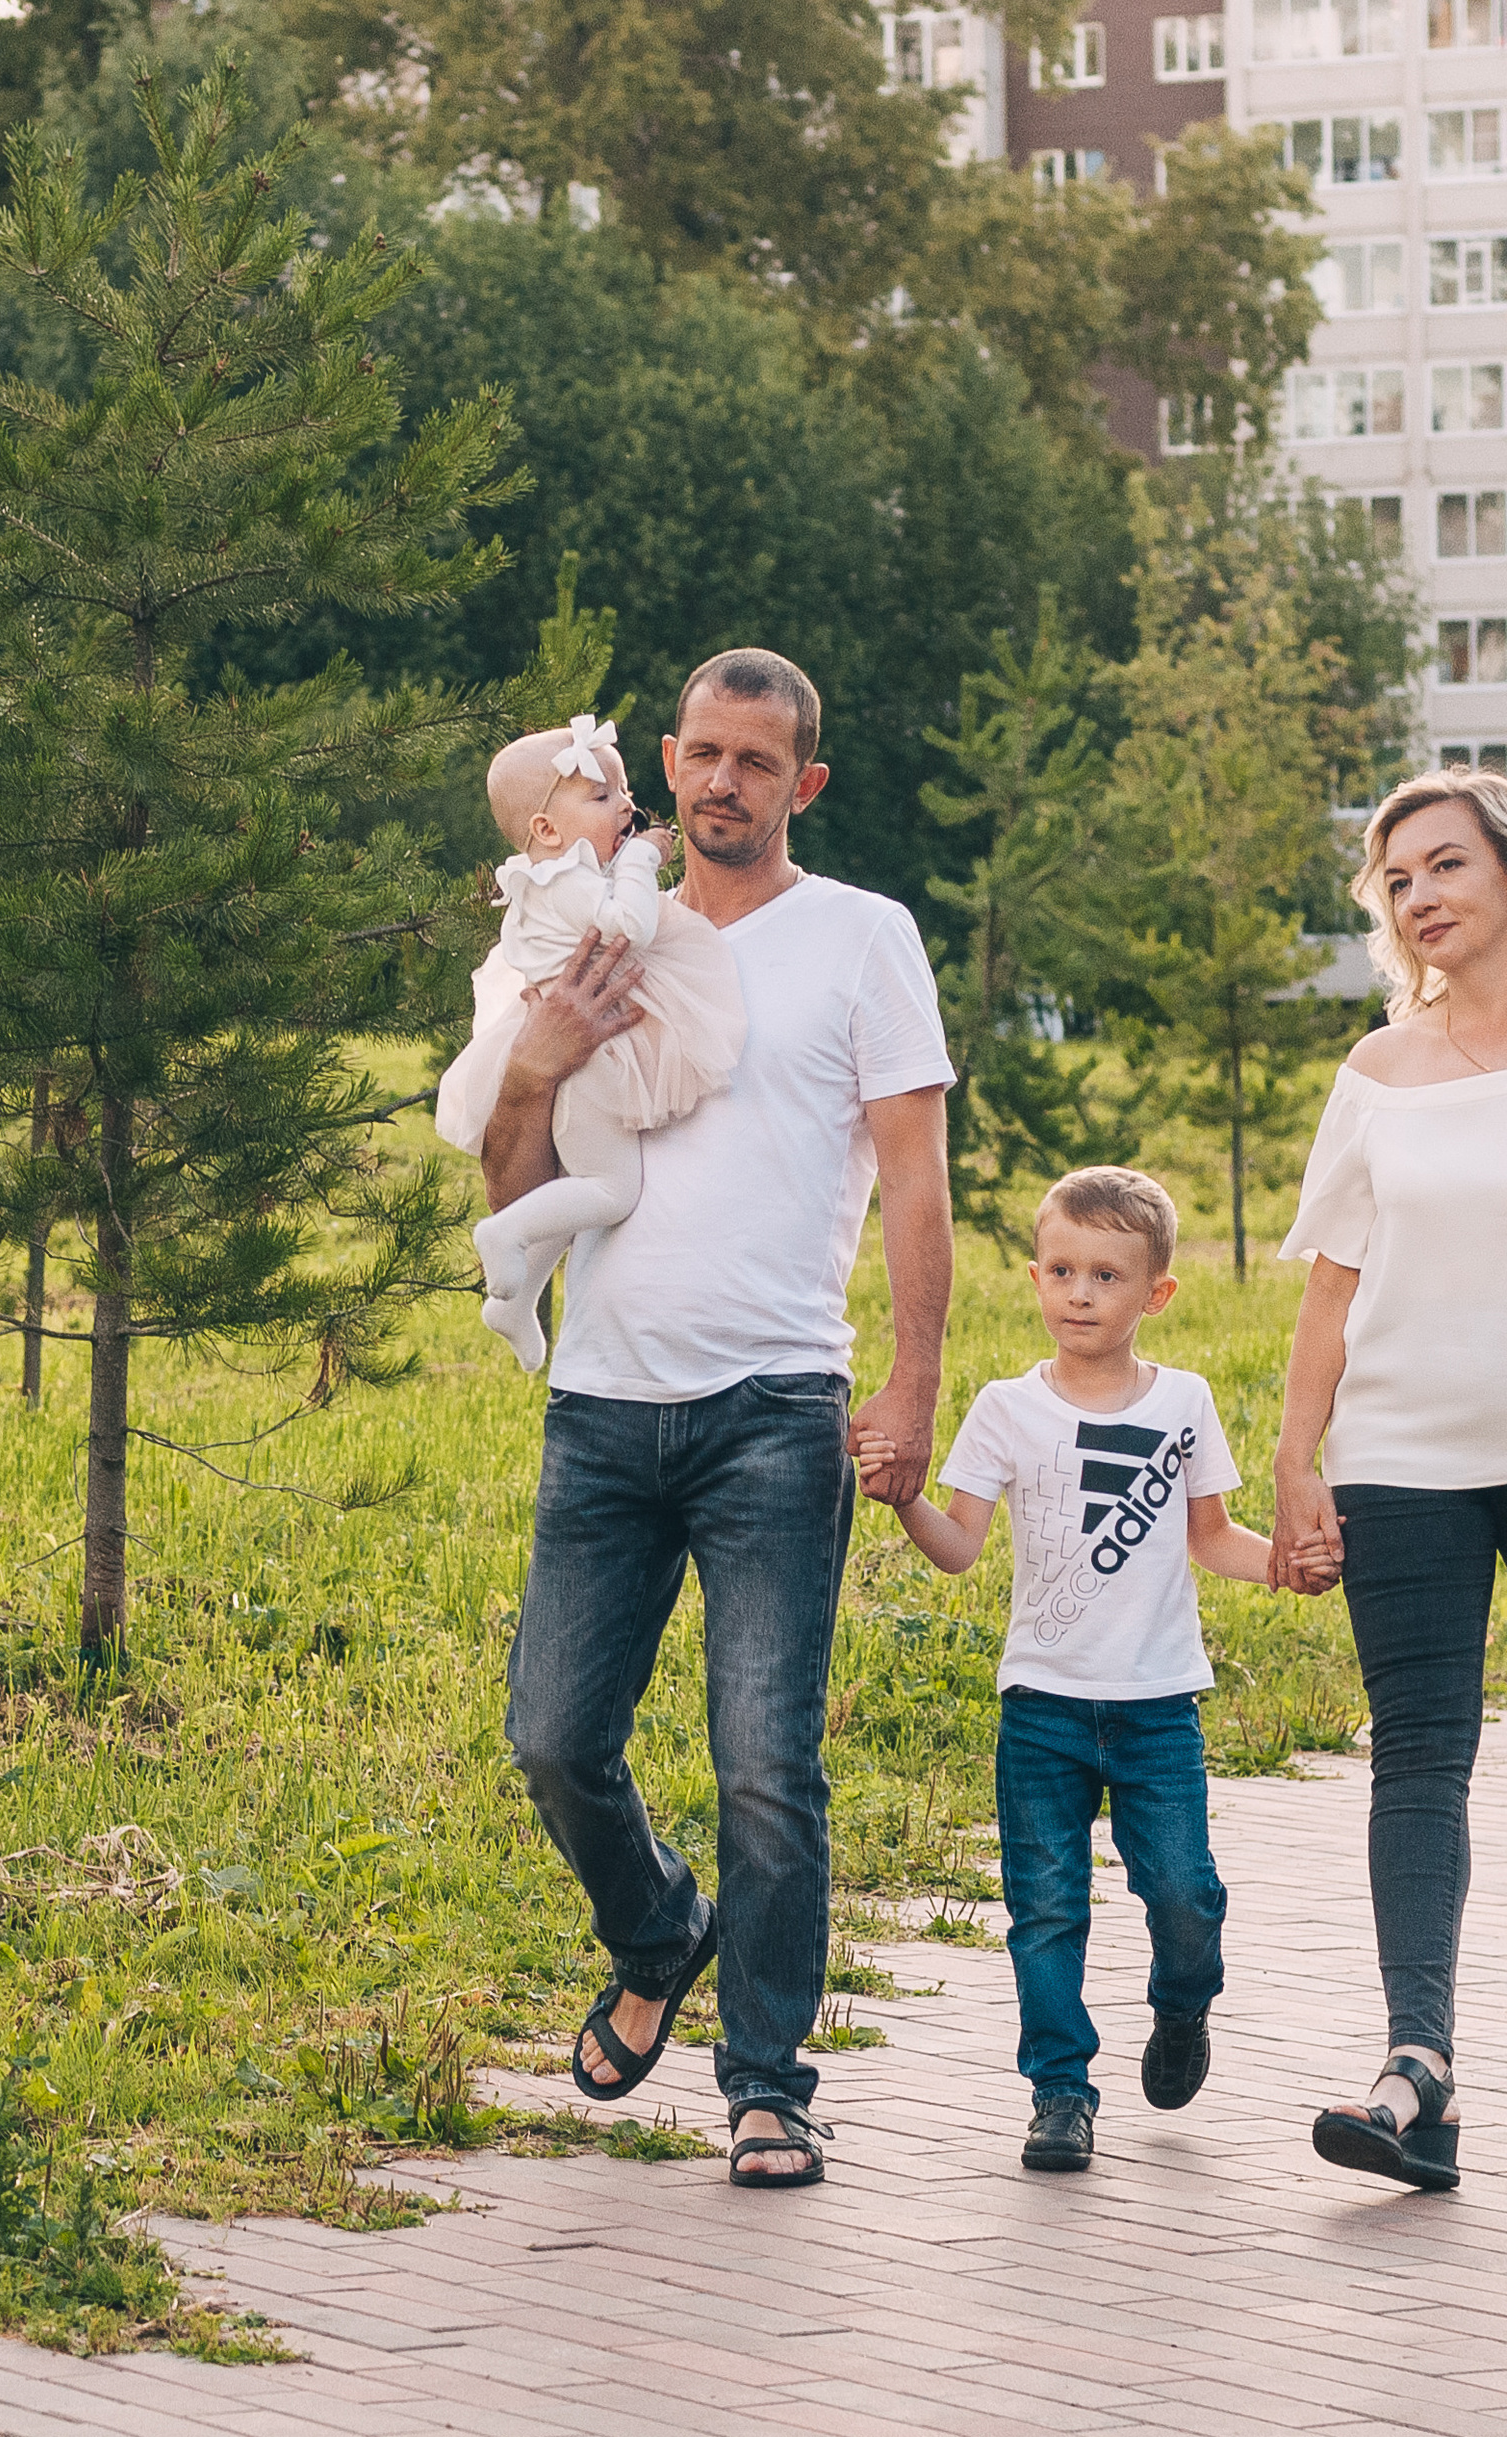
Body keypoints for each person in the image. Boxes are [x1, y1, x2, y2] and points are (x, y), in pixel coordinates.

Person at [485, 646, 955, 2190]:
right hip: (603, 1409)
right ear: (665, 764)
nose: (722, 782)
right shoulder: (601, 930)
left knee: (767, 1762)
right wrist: (535, 1068)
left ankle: (766, 2085)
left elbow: (914, 1181)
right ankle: (657, 1931)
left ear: (801, 782)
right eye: (700, 752)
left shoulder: (863, 937)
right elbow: (510, 1187)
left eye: (756, 760)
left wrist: (911, 1382)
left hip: (777, 1406)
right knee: (554, 1739)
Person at [862, 1168, 1304, 2174]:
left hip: (1157, 1709)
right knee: (1046, 1910)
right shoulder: (1006, 1409)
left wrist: (1286, 1563)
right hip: (1042, 1708)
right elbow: (959, 1546)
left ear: (1157, 1293)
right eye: (1061, 1270)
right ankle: (1060, 2093)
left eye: (1107, 1275)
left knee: (1184, 1895)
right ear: (1033, 1276)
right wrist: (903, 1500)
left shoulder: (1184, 1402)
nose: (1079, 1293)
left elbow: (1210, 1537)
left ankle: (1182, 2003)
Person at [1274, 767, 1507, 2195]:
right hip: (1403, 1454)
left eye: (1447, 865)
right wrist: (1296, 1460)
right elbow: (1331, 1287)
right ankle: (1416, 2069)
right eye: (1398, 879)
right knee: (1419, 1756)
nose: (1420, 896)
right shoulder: (1379, 1070)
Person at [437, 712, 746, 1371]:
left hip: (592, 1049)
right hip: (589, 1051)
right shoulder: (566, 880)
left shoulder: (562, 877)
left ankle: (516, 1302)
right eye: (602, 796)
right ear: (547, 830)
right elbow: (629, 924)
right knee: (611, 1189)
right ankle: (502, 1234)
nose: (626, 805)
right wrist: (641, 856)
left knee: (578, 1187)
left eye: (625, 790)